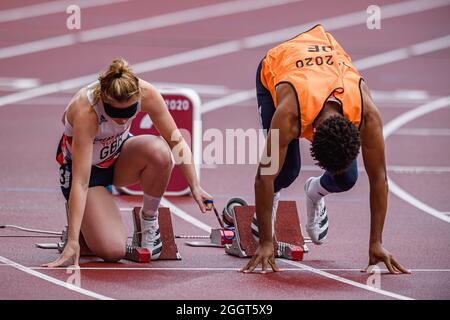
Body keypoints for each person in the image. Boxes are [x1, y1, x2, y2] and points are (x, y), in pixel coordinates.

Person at [241, 25, 410, 274]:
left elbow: (379, 179)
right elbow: (262, 177)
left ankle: (315, 192)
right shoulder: (289, 115)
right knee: (286, 171)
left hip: (321, 69)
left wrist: (376, 243)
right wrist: (266, 242)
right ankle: (270, 204)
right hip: (280, 65)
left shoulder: (367, 113)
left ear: (354, 128)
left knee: (348, 178)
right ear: (311, 134)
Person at [43, 58, 211, 267]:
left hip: (119, 158)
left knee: (159, 151)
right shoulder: (85, 111)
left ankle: (148, 221)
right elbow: (81, 182)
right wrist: (73, 241)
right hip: (87, 174)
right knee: (112, 251)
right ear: (103, 99)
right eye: (115, 113)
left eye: (128, 112)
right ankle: (78, 225)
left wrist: (195, 186)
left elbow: (176, 140)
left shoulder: (146, 93)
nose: (122, 120)